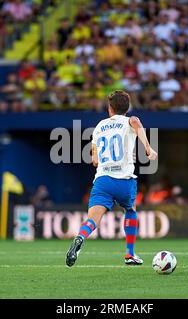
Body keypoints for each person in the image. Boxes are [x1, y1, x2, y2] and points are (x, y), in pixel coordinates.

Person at [66, 90, 158, 267]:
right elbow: (136, 123)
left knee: (92, 220)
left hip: (103, 181)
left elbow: (94, 159)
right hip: (124, 180)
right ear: (127, 108)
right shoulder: (130, 120)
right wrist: (148, 149)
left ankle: (80, 237)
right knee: (130, 210)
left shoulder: (100, 126)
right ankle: (129, 254)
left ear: (110, 108)